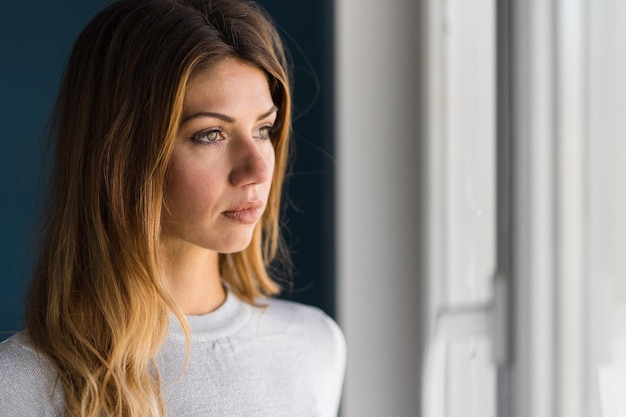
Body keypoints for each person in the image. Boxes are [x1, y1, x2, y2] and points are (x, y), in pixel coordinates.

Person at [0, 0, 346, 415]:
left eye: (264, 129)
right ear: (125, 156)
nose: (255, 169)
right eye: (211, 134)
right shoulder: (22, 385)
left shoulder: (314, 347)